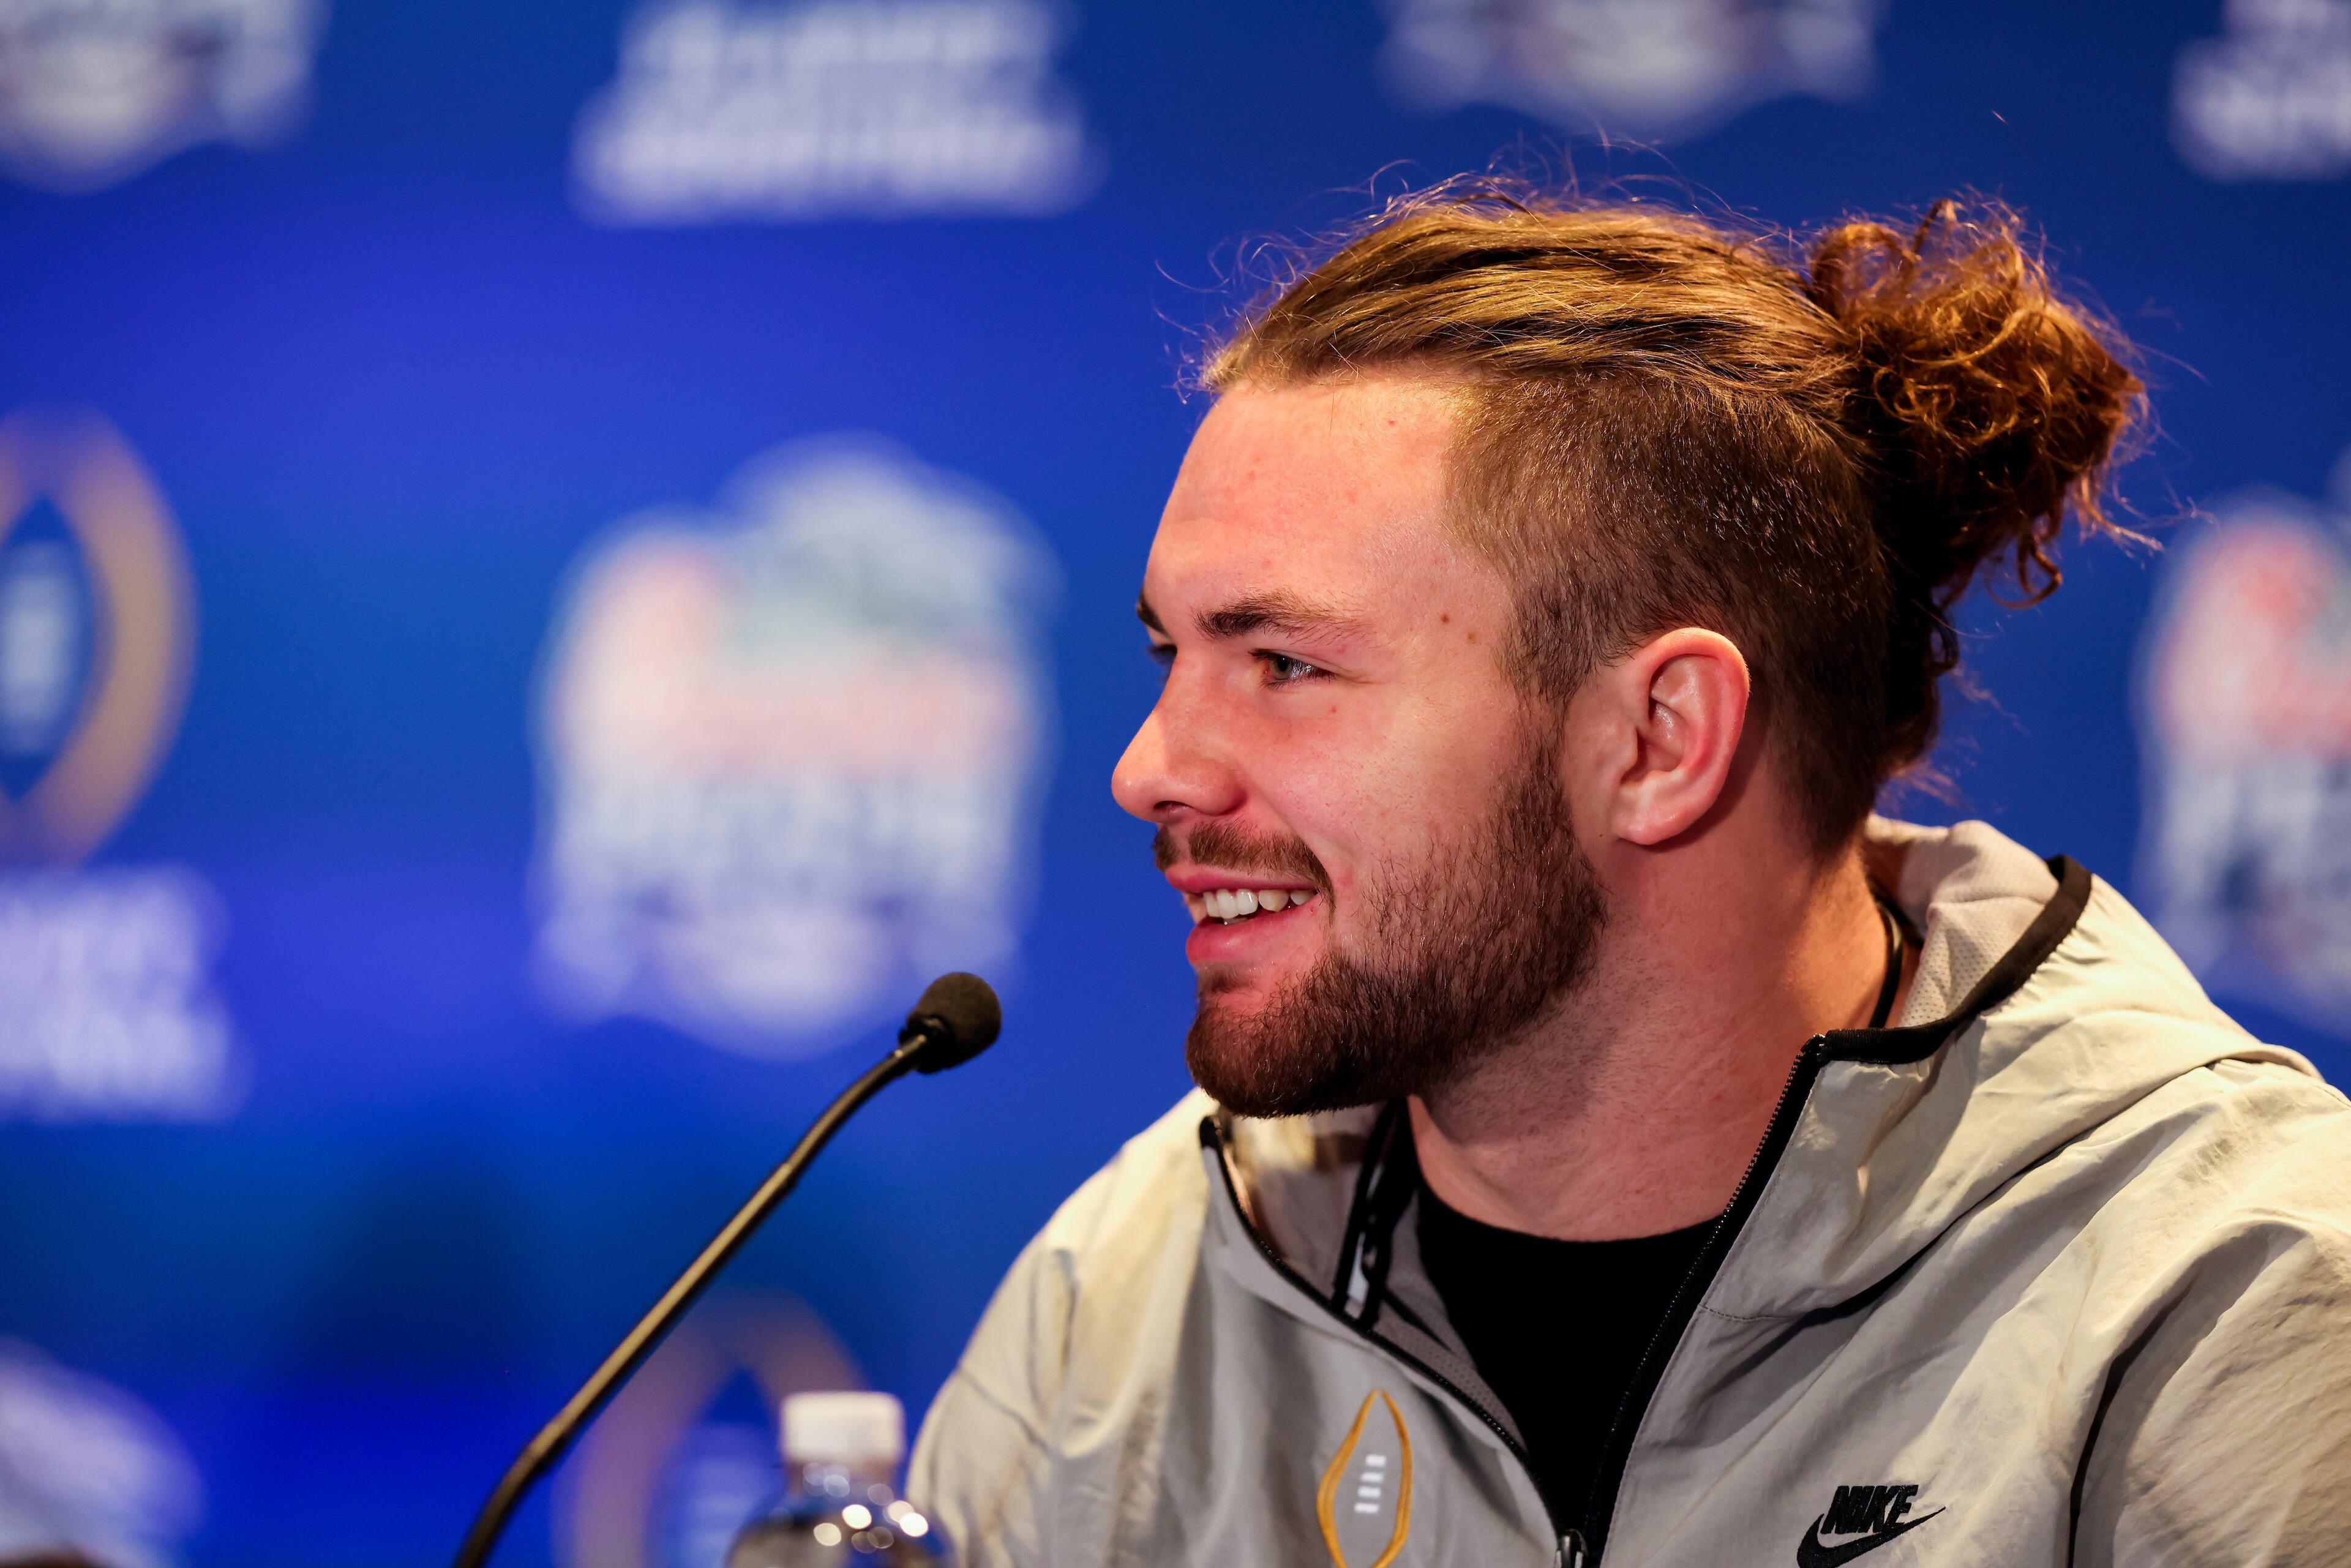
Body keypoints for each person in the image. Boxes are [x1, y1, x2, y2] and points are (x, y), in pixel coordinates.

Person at [908, 182, 2351, 1567]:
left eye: (1284, 663)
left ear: (1660, 740)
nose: (1151, 767)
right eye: (1177, 654)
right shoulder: (1128, 1292)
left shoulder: (2235, 1293)